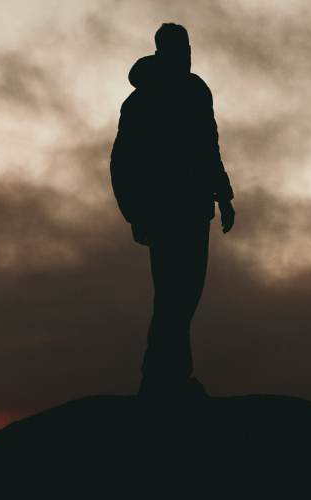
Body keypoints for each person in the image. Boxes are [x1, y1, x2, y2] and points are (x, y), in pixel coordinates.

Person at [110, 23, 235, 397]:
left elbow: (209, 145)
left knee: (187, 293)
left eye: (189, 48)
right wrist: (135, 214)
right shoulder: (140, 101)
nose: (188, 55)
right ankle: (161, 378)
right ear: (163, 52)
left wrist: (223, 194)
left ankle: (170, 375)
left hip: (196, 209)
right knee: (171, 295)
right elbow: (123, 161)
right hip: (164, 213)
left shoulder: (197, 91)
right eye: (180, 49)